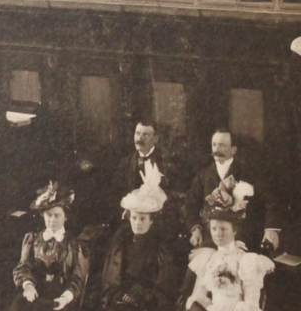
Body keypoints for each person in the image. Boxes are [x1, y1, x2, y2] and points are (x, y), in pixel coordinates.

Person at [185, 176, 274, 311]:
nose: (218, 234)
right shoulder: (208, 258)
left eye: (223, 229)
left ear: (235, 230)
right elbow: (198, 297)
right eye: (214, 229)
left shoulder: (247, 261)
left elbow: (251, 305)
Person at [185, 130, 281, 251]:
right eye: (214, 144)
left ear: (233, 150)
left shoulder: (249, 172)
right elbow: (190, 205)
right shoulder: (203, 175)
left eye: (222, 145)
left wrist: (270, 229)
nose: (216, 149)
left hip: (243, 239)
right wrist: (195, 229)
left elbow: (271, 200)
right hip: (212, 238)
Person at [100, 162, 177, 311]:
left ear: (151, 220)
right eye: (134, 218)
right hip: (121, 299)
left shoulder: (159, 247)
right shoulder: (121, 243)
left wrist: (141, 296)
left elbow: (164, 285)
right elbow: (111, 279)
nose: (138, 223)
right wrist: (120, 295)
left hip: (147, 302)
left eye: (143, 219)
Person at [9, 182, 88, 311]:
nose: (52, 220)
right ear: (43, 215)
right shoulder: (32, 239)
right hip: (34, 295)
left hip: (61, 298)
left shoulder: (74, 245)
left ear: (66, 216)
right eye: (48, 215)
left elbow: (77, 278)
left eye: (57, 215)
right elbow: (23, 267)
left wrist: (65, 298)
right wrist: (28, 285)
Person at [112, 121, 167, 204]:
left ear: (155, 139)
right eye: (137, 134)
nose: (139, 139)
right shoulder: (126, 163)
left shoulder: (166, 162)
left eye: (145, 135)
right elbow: (116, 193)